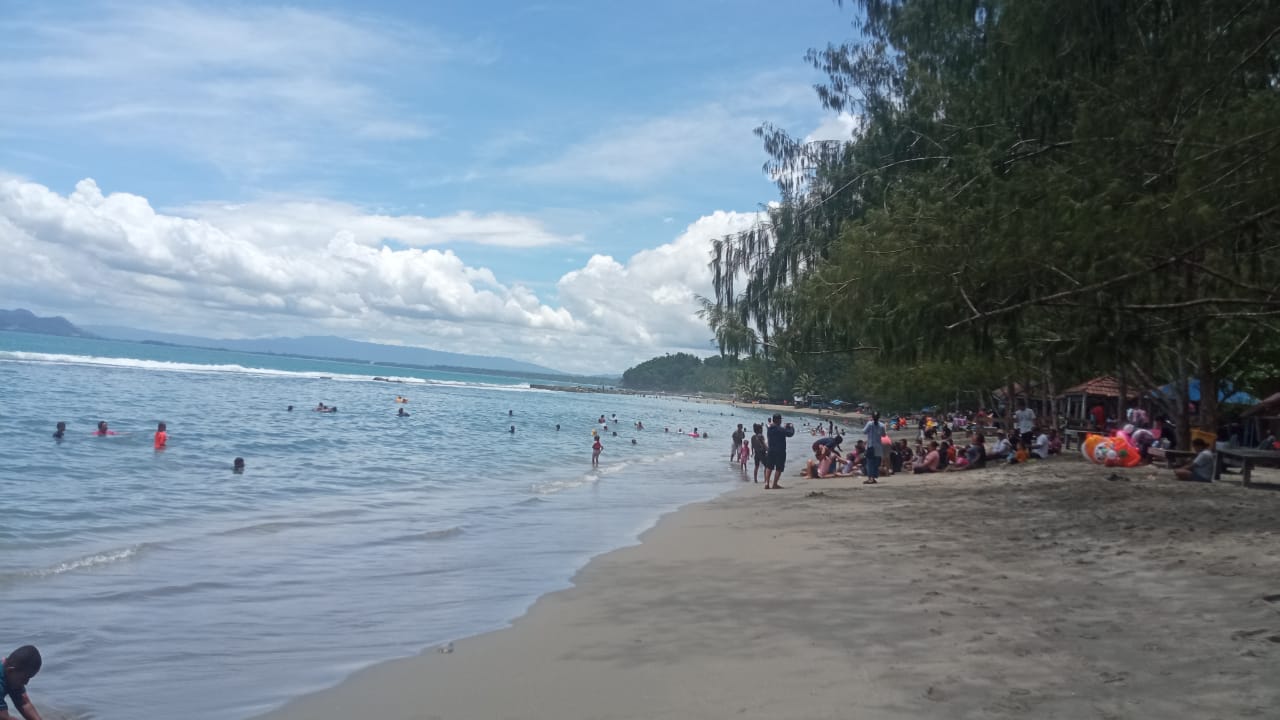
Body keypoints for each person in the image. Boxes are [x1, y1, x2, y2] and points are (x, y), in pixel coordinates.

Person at [0, 645, 44, 720]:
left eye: (29, 678)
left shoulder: (11, 676)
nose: (26, 683)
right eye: (24, 678)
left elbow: (24, 703)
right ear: (10, 671)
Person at [764, 413, 795, 489]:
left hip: (771, 450)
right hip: (780, 451)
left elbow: (776, 428)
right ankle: (774, 484)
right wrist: (791, 427)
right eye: (780, 419)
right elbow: (790, 434)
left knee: (769, 467)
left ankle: (767, 483)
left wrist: (784, 427)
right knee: (779, 468)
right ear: (778, 420)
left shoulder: (769, 428)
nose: (781, 421)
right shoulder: (780, 429)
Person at [862, 412, 886, 485]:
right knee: (876, 463)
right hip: (878, 446)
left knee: (869, 463)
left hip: (871, 446)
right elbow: (884, 435)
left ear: (872, 417)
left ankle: (870, 478)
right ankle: (874, 477)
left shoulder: (870, 423)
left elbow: (864, 432)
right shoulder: (882, 425)